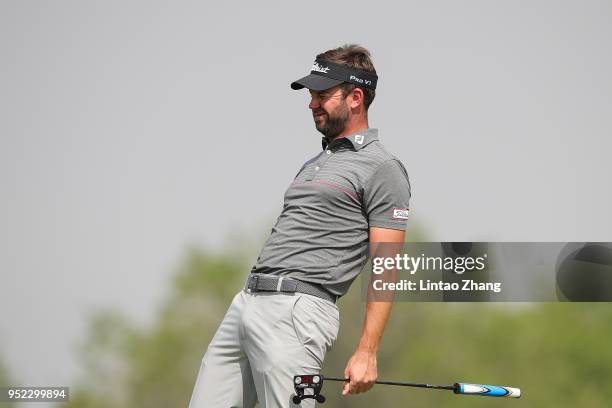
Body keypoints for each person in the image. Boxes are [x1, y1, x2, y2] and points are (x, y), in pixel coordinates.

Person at [188, 44, 411, 407]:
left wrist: (367, 351)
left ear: (356, 97)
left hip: (296, 312)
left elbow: (386, 264)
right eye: (311, 96)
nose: (312, 104)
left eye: (322, 95)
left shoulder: (382, 167)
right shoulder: (314, 163)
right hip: (246, 303)